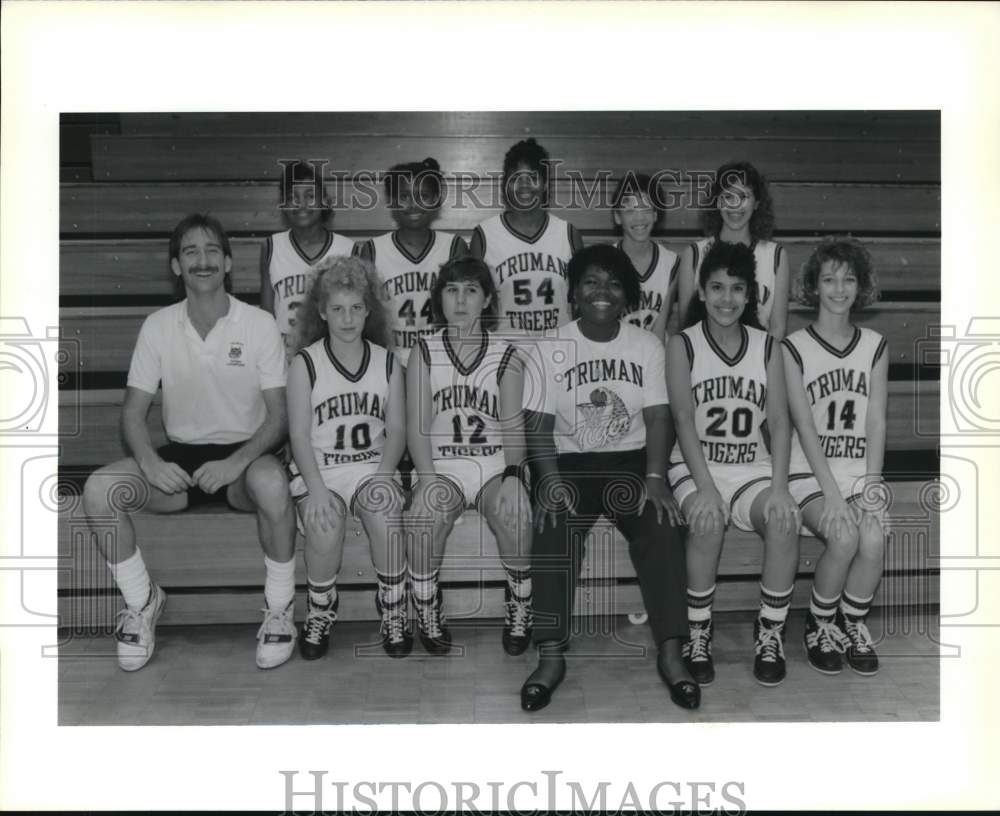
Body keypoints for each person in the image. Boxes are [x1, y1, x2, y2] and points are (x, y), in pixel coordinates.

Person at [81, 213, 298, 671]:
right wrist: (150, 462)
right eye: (190, 252)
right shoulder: (158, 326)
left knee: (274, 486)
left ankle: (280, 610)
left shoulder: (258, 324)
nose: (202, 260)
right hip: (180, 460)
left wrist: (236, 463)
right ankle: (142, 603)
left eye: (212, 251)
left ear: (228, 262)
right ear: (176, 266)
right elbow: (133, 413)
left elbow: (278, 419)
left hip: (246, 457)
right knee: (99, 490)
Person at [521, 244, 696, 712]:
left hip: (630, 463)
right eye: (591, 282)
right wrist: (551, 481)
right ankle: (551, 655)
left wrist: (656, 477)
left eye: (615, 283)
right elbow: (536, 425)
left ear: (629, 295)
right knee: (551, 526)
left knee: (661, 526)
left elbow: (660, 418)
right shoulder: (550, 346)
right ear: (574, 292)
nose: (603, 291)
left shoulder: (645, 345)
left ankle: (671, 652)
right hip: (571, 465)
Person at [666, 241, 800, 688]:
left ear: (751, 296)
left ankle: (770, 634)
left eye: (737, 289)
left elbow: (780, 422)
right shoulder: (682, 344)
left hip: (749, 468)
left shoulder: (768, 347)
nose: (727, 298)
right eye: (717, 287)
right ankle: (699, 633)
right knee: (706, 521)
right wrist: (704, 487)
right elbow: (683, 419)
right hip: (694, 463)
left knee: (784, 519)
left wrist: (780, 487)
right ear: (701, 292)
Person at [404, 257, 534, 656]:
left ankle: (520, 602)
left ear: (487, 299)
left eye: (471, 290)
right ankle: (427, 604)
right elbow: (417, 428)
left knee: (516, 511)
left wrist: (514, 476)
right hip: (441, 465)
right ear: (439, 298)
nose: (460, 300)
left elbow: (514, 427)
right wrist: (426, 482)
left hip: (495, 463)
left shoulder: (507, 354)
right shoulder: (423, 352)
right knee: (423, 515)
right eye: (452, 290)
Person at [285, 255, 410, 659]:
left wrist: (384, 475)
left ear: (369, 309)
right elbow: (299, 435)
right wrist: (317, 491)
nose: (347, 318)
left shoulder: (387, 361)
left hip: (369, 466)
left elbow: (397, 431)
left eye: (356, 307)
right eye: (337, 309)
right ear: (321, 312)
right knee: (323, 524)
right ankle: (320, 609)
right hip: (319, 468)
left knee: (387, 511)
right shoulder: (306, 363)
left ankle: (393, 608)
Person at [782, 237, 887, 675]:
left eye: (848, 279)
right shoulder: (793, 346)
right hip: (808, 473)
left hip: (859, 471)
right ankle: (819, 623)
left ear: (860, 286)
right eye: (829, 279)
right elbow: (804, 427)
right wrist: (833, 494)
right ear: (814, 286)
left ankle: (851, 621)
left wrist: (872, 485)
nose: (839, 288)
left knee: (874, 537)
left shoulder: (875, 344)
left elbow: (876, 420)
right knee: (843, 536)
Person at [355, 158, 467, 362]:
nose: (413, 204)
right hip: (389, 361)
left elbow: (467, 314)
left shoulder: (454, 247)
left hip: (443, 361)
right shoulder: (372, 251)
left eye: (423, 196)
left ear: (436, 199)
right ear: (392, 200)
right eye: (404, 196)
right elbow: (363, 316)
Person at [470, 138, 584, 335]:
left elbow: (580, 304)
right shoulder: (485, 235)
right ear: (505, 184)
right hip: (504, 354)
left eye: (533, 177)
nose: (524, 185)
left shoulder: (568, 234)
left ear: (545, 183)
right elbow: (475, 307)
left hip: (559, 353)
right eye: (515, 178)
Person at [676, 161, 790, 337]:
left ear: (757, 203)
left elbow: (778, 328)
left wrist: (759, 361)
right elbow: (687, 327)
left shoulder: (776, 255)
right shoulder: (693, 254)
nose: (735, 205)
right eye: (728, 197)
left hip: (759, 358)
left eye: (744, 197)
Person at [260, 160, 355, 360]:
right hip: (285, 358)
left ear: (324, 201)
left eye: (310, 196)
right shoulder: (271, 246)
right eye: (292, 197)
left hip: (333, 357)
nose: (301, 204)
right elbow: (266, 318)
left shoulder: (348, 249)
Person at [611, 172, 681, 341]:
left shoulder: (673, 263)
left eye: (646, 208)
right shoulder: (605, 263)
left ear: (656, 214)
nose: (639, 217)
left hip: (658, 357)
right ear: (617, 217)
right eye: (630, 210)